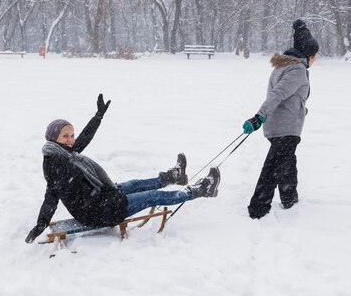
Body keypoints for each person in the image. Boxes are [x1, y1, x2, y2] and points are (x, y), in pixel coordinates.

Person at [25, 94, 221, 243]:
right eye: (65, 136)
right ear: (54, 139)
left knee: (133, 183)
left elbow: (84, 138)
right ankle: (201, 190)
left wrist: (98, 116)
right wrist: (41, 223)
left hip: (100, 197)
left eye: (71, 135)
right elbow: (51, 197)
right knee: (153, 196)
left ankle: (173, 177)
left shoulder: (64, 152)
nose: (71, 139)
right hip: (97, 211)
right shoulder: (55, 164)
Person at [242, 19, 319, 219]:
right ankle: (258, 208)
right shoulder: (297, 70)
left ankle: (289, 198)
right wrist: (258, 117)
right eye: (315, 55)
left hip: (283, 124)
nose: (316, 59)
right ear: (308, 54)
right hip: (285, 128)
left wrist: (301, 110)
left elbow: (289, 98)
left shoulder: (283, 66)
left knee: (287, 163)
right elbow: (276, 95)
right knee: (273, 168)